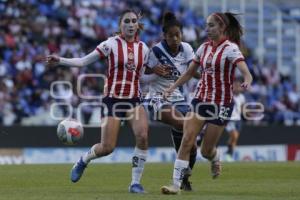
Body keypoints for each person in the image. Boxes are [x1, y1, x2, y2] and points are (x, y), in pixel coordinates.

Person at [46, 10, 150, 194]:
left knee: (142, 135)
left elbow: (141, 77)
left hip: (134, 99)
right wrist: (60, 60)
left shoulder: (144, 48)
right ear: (120, 25)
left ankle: (135, 183)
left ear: (137, 25)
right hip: (113, 100)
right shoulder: (110, 44)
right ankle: (83, 160)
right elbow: (83, 62)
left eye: (134, 21)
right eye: (127, 21)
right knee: (107, 147)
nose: (131, 24)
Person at [161, 12, 253, 194]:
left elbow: (245, 70)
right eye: (206, 25)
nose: (207, 29)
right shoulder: (203, 48)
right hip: (201, 99)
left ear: (222, 27)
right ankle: (175, 185)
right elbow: (189, 73)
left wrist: (248, 79)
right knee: (187, 140)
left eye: (211, 25)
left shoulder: (231, 49)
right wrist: (172, 88)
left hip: (221, 103)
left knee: (206, 150)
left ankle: (215, 157)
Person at [141, 11, 199, 191]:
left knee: (191, 140)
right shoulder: (156, 50)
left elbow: (193, 72)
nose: (175, 38)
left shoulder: (188, 49)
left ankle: (185, 176)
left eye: (178, 35)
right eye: (171, 35)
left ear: (182, 34)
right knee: (185, 126)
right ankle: (179, 177)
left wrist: (207, 77)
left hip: (179, 98)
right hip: (158, 98)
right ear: (164, 36)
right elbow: (142, 76)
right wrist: (154, 71)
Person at [224, 78, 246, 161]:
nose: (237, 88)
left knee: (235, 139)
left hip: (238, 119)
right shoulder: (229, 95)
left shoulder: (242, 97)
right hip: (230, 119)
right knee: (234, 136)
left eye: (238, 86)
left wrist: (245, 115)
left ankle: (230, 155)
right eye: (235, 86)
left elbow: (242, 108)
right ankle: (228, 154)